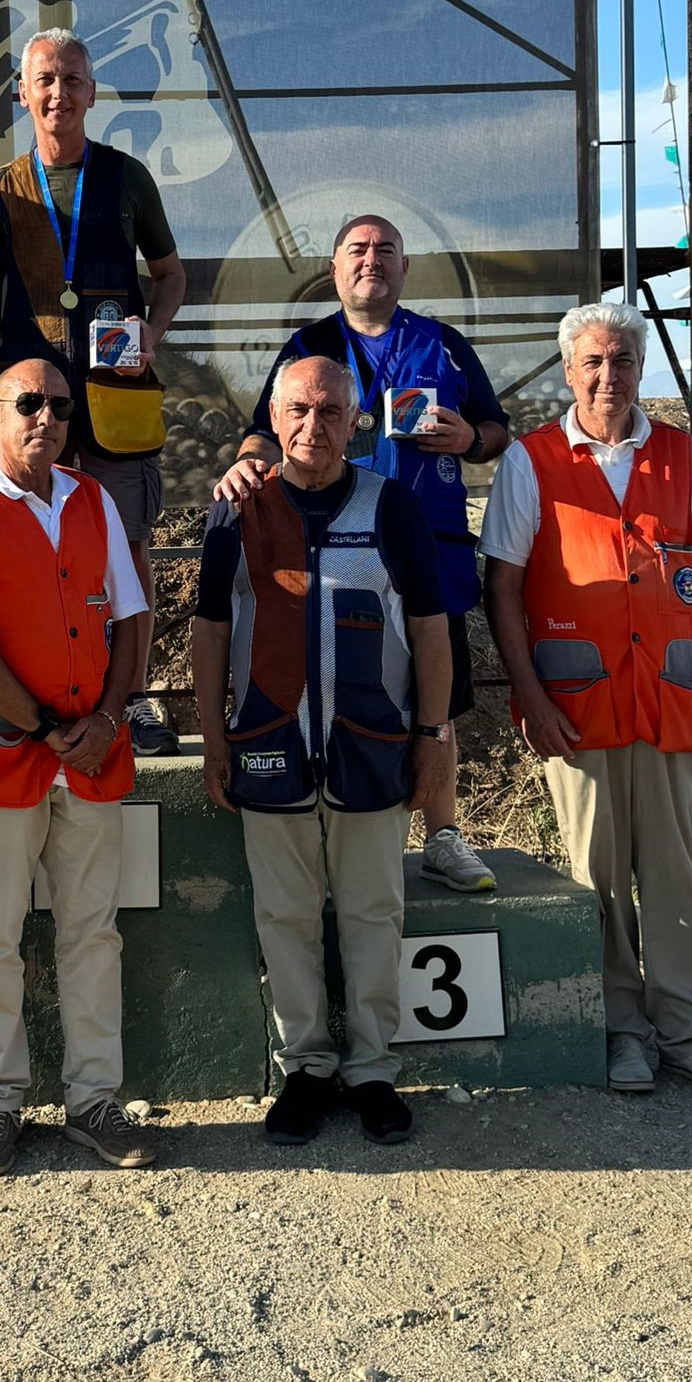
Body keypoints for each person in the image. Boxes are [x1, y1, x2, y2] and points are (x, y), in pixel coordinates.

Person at [482, 301, 692, 1101]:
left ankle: (690, 1033)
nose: (608, 376)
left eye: (622, 361)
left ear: (640, 370)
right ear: (569, 371)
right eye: (593, 362)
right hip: (576, 709)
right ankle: (618, 1030)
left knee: (675, 873)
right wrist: (529, 696)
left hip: (669, 703)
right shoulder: (530, 461)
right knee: (594, 876)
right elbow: (502, 588)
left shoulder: (679, 456)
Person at [193, 356, 454, 1148]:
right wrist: (213, 740)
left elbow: (430, 629)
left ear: (355, 422)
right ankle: (305, 1067)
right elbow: (209, 632)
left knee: (374, 914)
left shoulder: (391, 505)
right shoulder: (237, 509)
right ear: (273, 420)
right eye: (299, 410)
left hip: (370, 748)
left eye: (331, 411)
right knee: (284, 917)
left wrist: (432, 737)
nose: (314, 426)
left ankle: (372, 1070)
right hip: (267, 743)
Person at [215, 211, 508, 894]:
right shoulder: (308, 345)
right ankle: (329, 833)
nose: (371, 259)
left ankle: (442, 834)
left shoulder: (442, 343)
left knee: (435, 698)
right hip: (328, 550)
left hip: (427, 547)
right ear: (335, 267)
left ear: (404, 267)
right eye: (357, 248)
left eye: (385, 249)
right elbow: (264, 431)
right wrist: (246, 463)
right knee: (332, 685)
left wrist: (469, 438)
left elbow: (497, 430)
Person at [0, 355, 155, 1177]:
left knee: (93, 934)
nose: (45, 417)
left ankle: (94, 1102)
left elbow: (131, 616)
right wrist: (50, 729)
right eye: (27, 403)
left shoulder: (91, 498)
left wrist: (109, 719)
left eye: (58, 404)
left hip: (89, 757)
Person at [0, 29, 188, 758]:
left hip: (117, 402)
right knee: (30, 554)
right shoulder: (0, 193)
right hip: (35, 411)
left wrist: (151, 332)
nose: (58, 92)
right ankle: (42, 698)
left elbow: (171, 276)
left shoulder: (126, 178)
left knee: (126, 551)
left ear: (91, 93)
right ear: (22, 94)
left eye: (71, 79)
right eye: (45, 79)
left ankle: (135, 700)